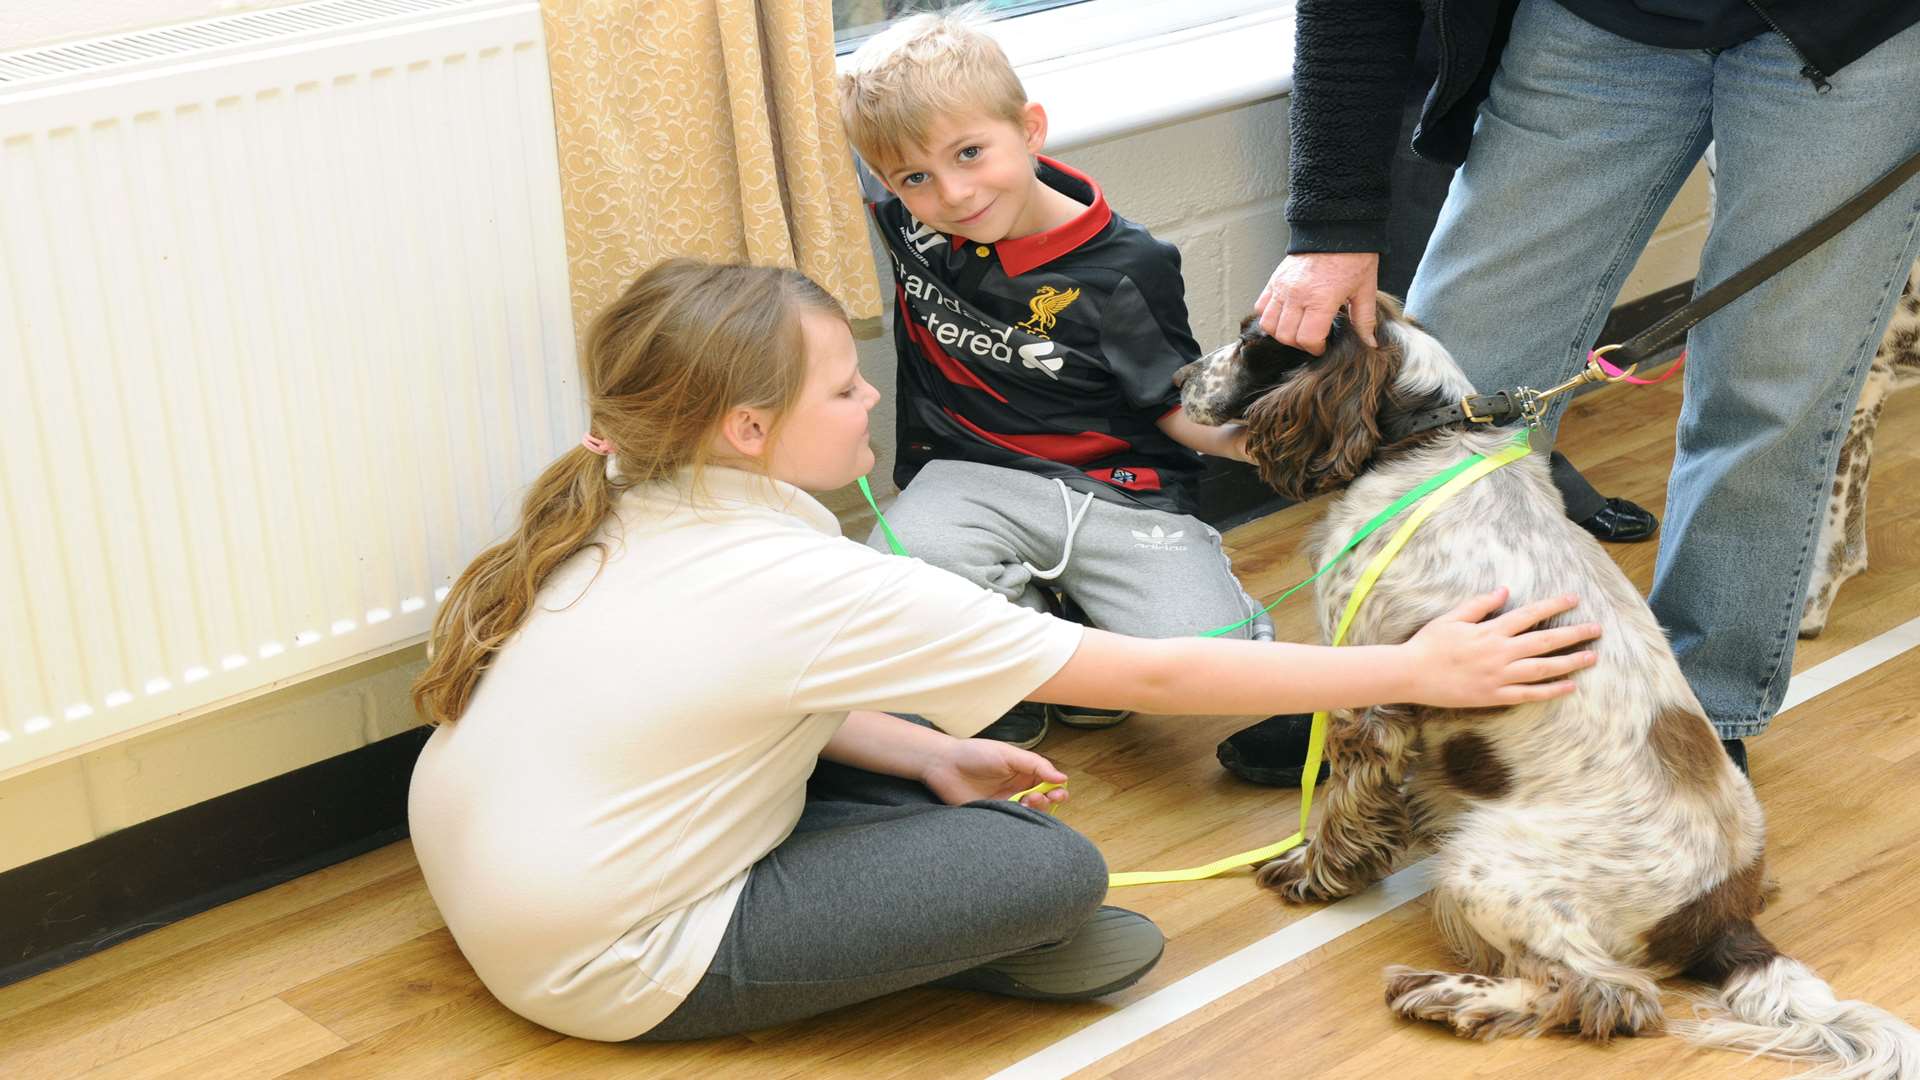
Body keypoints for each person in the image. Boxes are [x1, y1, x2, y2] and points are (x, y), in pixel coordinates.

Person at [404, 257, 1601, 1041]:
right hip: (599, 965)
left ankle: (911, 854)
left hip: (491, 867)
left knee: (932, 741)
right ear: (749, 428)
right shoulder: (804, 578)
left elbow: (736, 691)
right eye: (841, 391)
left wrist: (914, 761)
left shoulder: (625, 496)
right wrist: (1414, 671)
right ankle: (948, 930)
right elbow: (1150, 676)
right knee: (1054, 877)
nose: (871, 401)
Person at [1217, 0, 1920, 786]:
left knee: (1768, 396)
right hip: (1600, 23)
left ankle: (1700, 715)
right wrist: (1331, 223)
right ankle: (1389, 685)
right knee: (1462, 375)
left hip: (1860, 34)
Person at [836, 13, 1287, 750]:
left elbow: (1171, 406)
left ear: (1031, 129)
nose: (953, 193)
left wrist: (1277, 448)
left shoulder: (1128, 268)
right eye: (917, 177)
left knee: (1206, 664)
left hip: (1118, 490)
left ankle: (1135, 625)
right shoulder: (907, 218)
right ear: (890, 182)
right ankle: (1029, 656)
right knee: (894, 570)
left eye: (971, 153)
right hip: (969, 478)